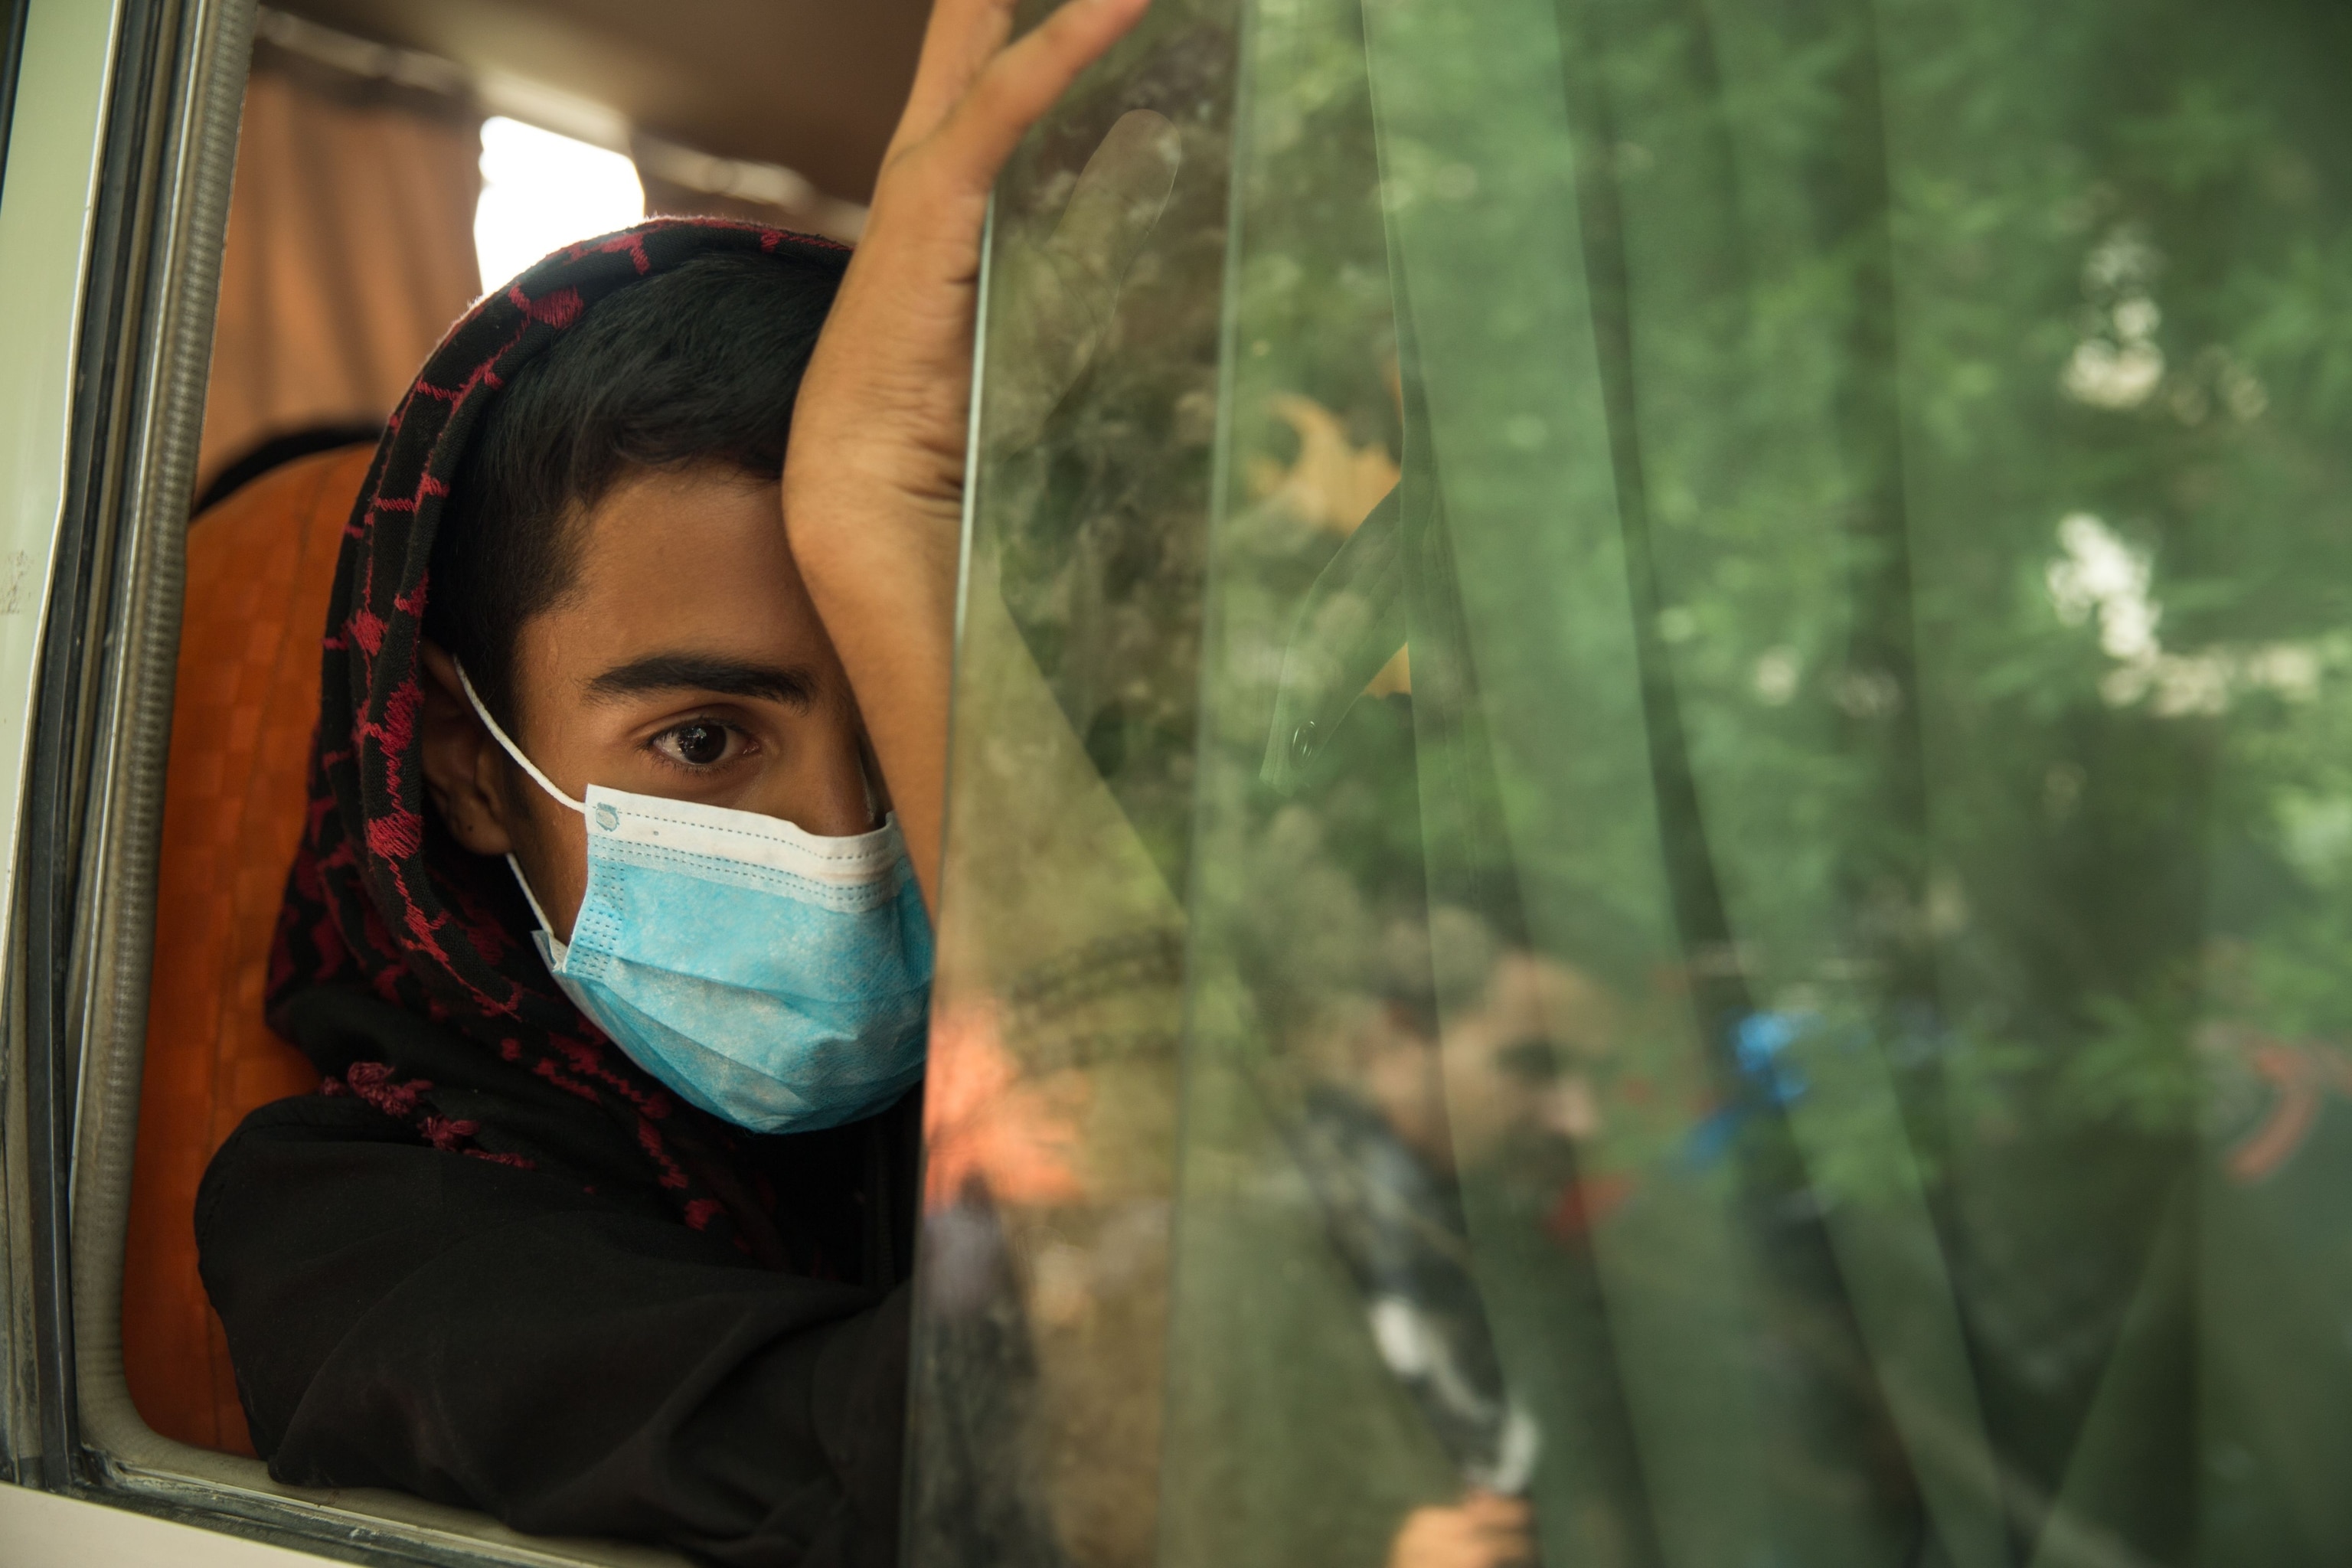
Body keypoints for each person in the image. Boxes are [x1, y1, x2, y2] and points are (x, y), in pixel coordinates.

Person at [196, 2, 1154, 1564]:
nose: (847, 836)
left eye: (913, 707)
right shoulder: (362, 1240)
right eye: (705, 741)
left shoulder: (995, 1082)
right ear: (470, 769)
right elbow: (1088, 1438)